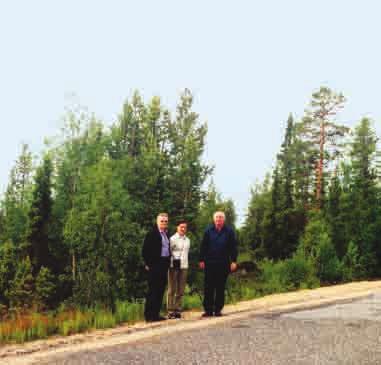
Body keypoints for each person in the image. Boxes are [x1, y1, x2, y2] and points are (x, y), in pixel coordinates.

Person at [199, 211, 238, 317]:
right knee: (208, 287)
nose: (218, 220)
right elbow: (203, 246)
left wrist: (234, 261)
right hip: (209, 263)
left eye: (220, 218)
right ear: (213, 219)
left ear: (224, 220)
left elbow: (233, 247)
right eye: (217, 218)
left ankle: (218, 310)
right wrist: (201, 260)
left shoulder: (229, 231)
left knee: (220, 287)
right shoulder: (208, 231)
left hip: (223, 263)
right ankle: (208, 310)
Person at [142, 213, 171, 322]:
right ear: (157, 222)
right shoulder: (152, 234)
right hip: (154, 265)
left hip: (164, 264)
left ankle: (155, 314)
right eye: (162, 221)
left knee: (160, 290)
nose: (164, 223)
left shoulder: (166, 234)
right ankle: (149, 315)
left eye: (166, 221)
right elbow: (145, 250)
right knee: (152, 290)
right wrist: (148, 264)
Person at [167, 220, 190, 319]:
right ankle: (170, 310)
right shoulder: (172, 239)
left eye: (185, 227)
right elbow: (168, 252)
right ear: (177, 227)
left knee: (180, 290)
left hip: (184, 266)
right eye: (181, 227)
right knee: (172, 289)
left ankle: (178, 309)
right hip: (173, 266)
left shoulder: (188, 240)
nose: (183, 229)